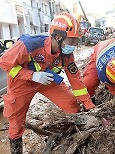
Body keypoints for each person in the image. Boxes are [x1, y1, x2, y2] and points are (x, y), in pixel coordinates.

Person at [0, 12, 95, 153]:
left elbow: (76, 81)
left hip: (47, 80)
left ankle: (70, 138)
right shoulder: (29, 45)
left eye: (76, 41)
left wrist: (89, 106)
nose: (74, 45)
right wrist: (31, 75)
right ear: (58, 36)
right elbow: (4, 63)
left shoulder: (67, 54)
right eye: (72, 41)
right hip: (21, 83)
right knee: (16, 123)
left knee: (71, 105)